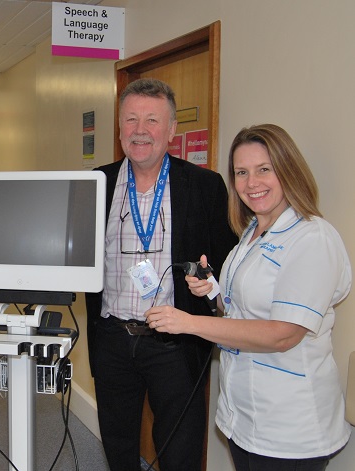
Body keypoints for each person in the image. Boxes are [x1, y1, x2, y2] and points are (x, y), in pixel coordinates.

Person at [145, 124, 351, 471]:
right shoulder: (251, 233)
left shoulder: (313, 238)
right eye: (242, 172)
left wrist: (190, 323)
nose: (251, 183)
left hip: (290, 425)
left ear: (288, 170)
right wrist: (214, 291)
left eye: (264, 169)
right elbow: (240, 309)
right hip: (245, 414)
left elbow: (284, 333)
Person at [85, 78, 238, 471]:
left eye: (152, 120)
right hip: (112, 338)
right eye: (131, 119)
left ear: (171, 130)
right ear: (119, 129)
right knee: (118, 444)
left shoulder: (205, 186)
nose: (140, 130)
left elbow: (227, 266)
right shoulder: (94, 185)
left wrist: (210, 283)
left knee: (180, 449)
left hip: (178, 342)